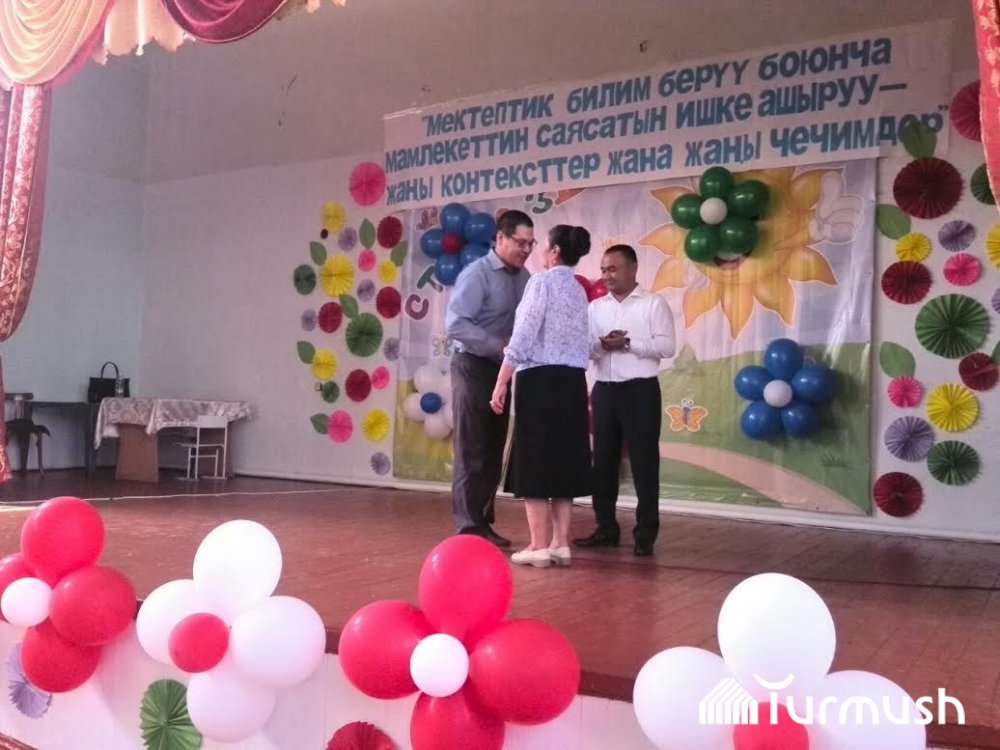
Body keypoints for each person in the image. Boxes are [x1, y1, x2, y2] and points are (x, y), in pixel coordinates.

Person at [489, 225, 593, 568]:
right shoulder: (578, 290)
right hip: (573, 382)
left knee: (534, 461)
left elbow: (523, 334)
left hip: (540, 380)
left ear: (555, 251)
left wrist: (501, 380)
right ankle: (561, 544)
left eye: (543, 245)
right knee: (563, 461)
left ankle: (538, 545)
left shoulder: (541, 282)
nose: (539, 251)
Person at [574, 244, 676, 557]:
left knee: (644, 463)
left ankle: (645, 534)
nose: (606, 276)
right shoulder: (595, 308)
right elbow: (585, 349)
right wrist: (603, 345)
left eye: (613, 269)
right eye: (603, 270)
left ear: (632, 269)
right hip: (604, 390)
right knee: (603, 462)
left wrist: (628, 343)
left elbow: (667, 347)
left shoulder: (653, 303)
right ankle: (605, 528)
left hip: (640, 391)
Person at [445, 210, 535, 547]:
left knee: (494, 446)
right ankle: (469, 526)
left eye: (530, 244)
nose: (526, 250)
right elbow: (455, 324)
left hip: (502, 370)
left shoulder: (525, 278)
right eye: (520, 242)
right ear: (500, 238)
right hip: (472, 365)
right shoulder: (477, 274)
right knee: (472, 446)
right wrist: (499, 346)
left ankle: (482, 522)